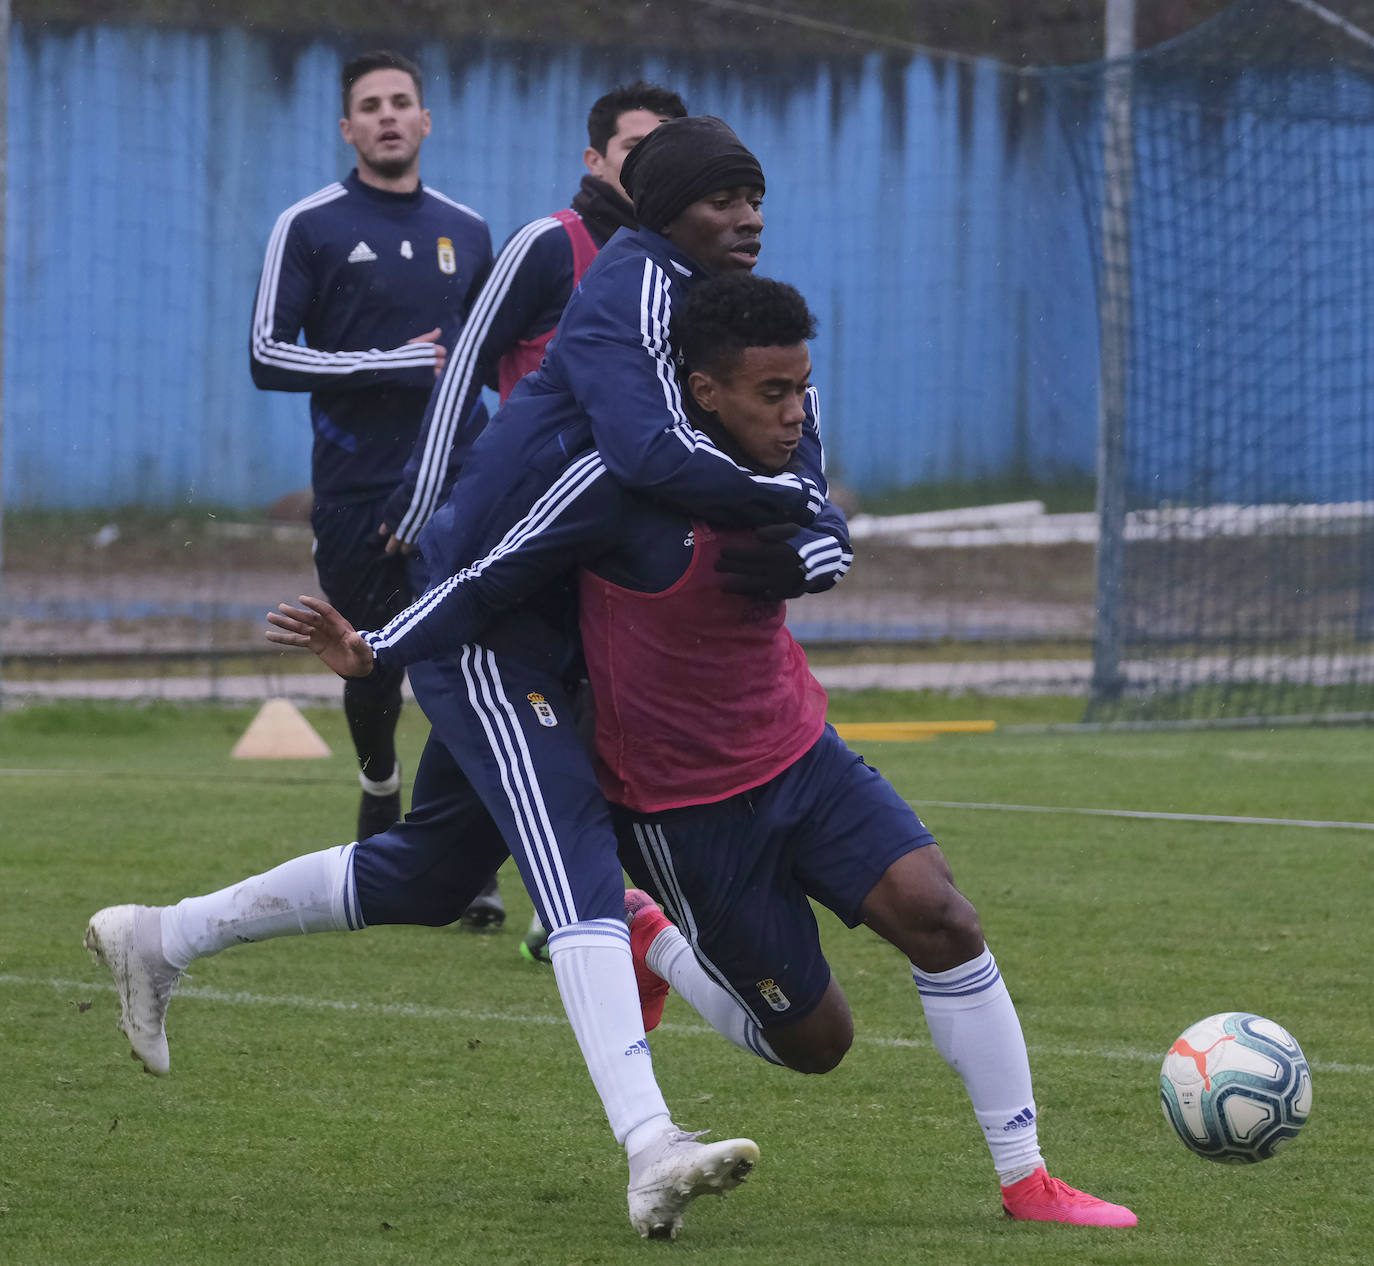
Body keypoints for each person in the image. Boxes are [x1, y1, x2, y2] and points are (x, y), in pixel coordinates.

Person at [85, 118, 845, 1242]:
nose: (747, 214)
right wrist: (410, 565)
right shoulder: (607, 273)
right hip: (487, 618)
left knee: (433, 873)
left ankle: (164, 934)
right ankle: (649, 1145)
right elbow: (629, 455)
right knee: (574, 856)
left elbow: (765, 420)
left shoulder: (703, 304)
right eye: (716, 190)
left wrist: (809, 509)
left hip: (543, 615)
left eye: (753, 193)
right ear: (635, 181)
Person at [258, 272, 1136, 1230]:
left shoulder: (782, 462)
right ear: (706, 391)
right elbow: (484, 580)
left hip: (802, 756)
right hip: (686, 815)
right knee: (817, 1043)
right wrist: (375, 646)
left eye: (805, 388)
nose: (799, 413)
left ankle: (1029, 1181)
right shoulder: (613, 486)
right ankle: (654, 942)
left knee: (943, 916)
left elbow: (824, 525)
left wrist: (822, 548)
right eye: (774, 394)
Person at [378, 80, 689, 950]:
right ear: (594, 161)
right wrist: (423, 498)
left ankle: (536, 889)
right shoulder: (551, 245)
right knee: (551, 719)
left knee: (577, 727)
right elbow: (467, 365)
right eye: (634, 149)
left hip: (621, 544)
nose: (651, 166)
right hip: (533, 545)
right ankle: (585, 907)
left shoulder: (682, 264)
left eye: (669, 149)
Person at [248, 50, 496, 877]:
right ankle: (378, 776)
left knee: (468, 665)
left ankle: (459, 858)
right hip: (359, 492)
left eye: (402, 102)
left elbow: (487, 361)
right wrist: (380, 363)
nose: (388, 115)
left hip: (461, 484)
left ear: (426, 120)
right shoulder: (310, 224)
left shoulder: (469, 230)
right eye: (370, 105)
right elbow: (266, 354)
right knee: (370, 661)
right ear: (347, 128)